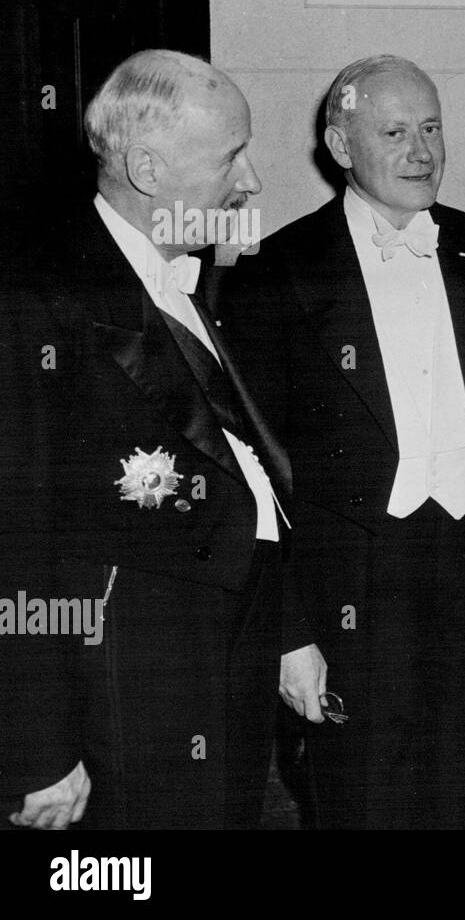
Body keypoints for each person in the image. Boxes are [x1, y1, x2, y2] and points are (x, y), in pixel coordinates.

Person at [215, 54, 465, 829]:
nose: (421, 152)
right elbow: (251, 469)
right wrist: (290, 634)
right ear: (342, 146)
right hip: (352, 594)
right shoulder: (277, 270)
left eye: (431, 128)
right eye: (394, 132)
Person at [0, 48, 297, 829]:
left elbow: (245, 473)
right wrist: (36, 750)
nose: (253, 180)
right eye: (232, 154)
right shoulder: (38, 300)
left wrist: (290, 633)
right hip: (124, 691)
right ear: (148, 170)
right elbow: (14, 541)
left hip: (225, 663)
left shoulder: (192, 279)